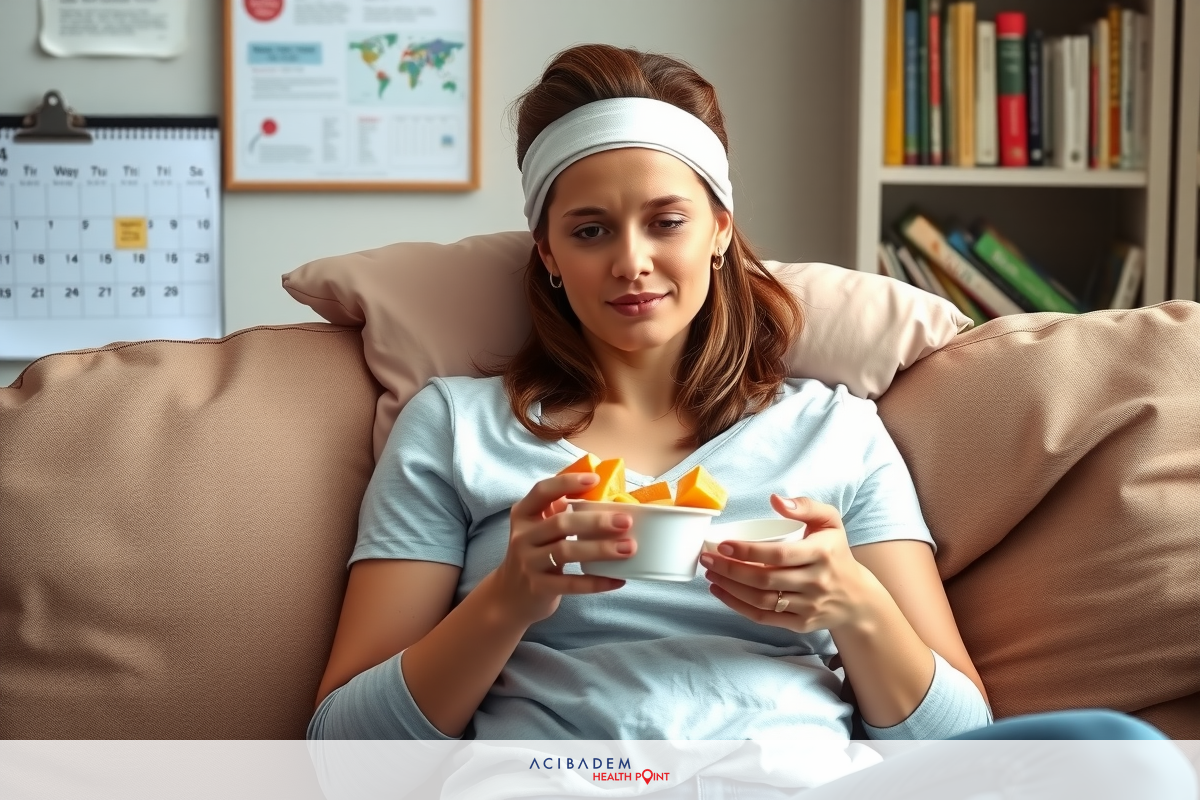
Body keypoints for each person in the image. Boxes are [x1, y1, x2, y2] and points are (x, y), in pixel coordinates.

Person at [307, 43, 1195, 798]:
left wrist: (852, 605)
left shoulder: (837, 432)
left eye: (667, 221)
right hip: (565, 780)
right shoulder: (453, 428)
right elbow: (341, 759)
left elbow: (956, 742)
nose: (633, 262)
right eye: (588, 231)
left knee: (1132, 760)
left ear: (721, 229)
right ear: (545, 251)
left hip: (804, 781)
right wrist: (509, 599)